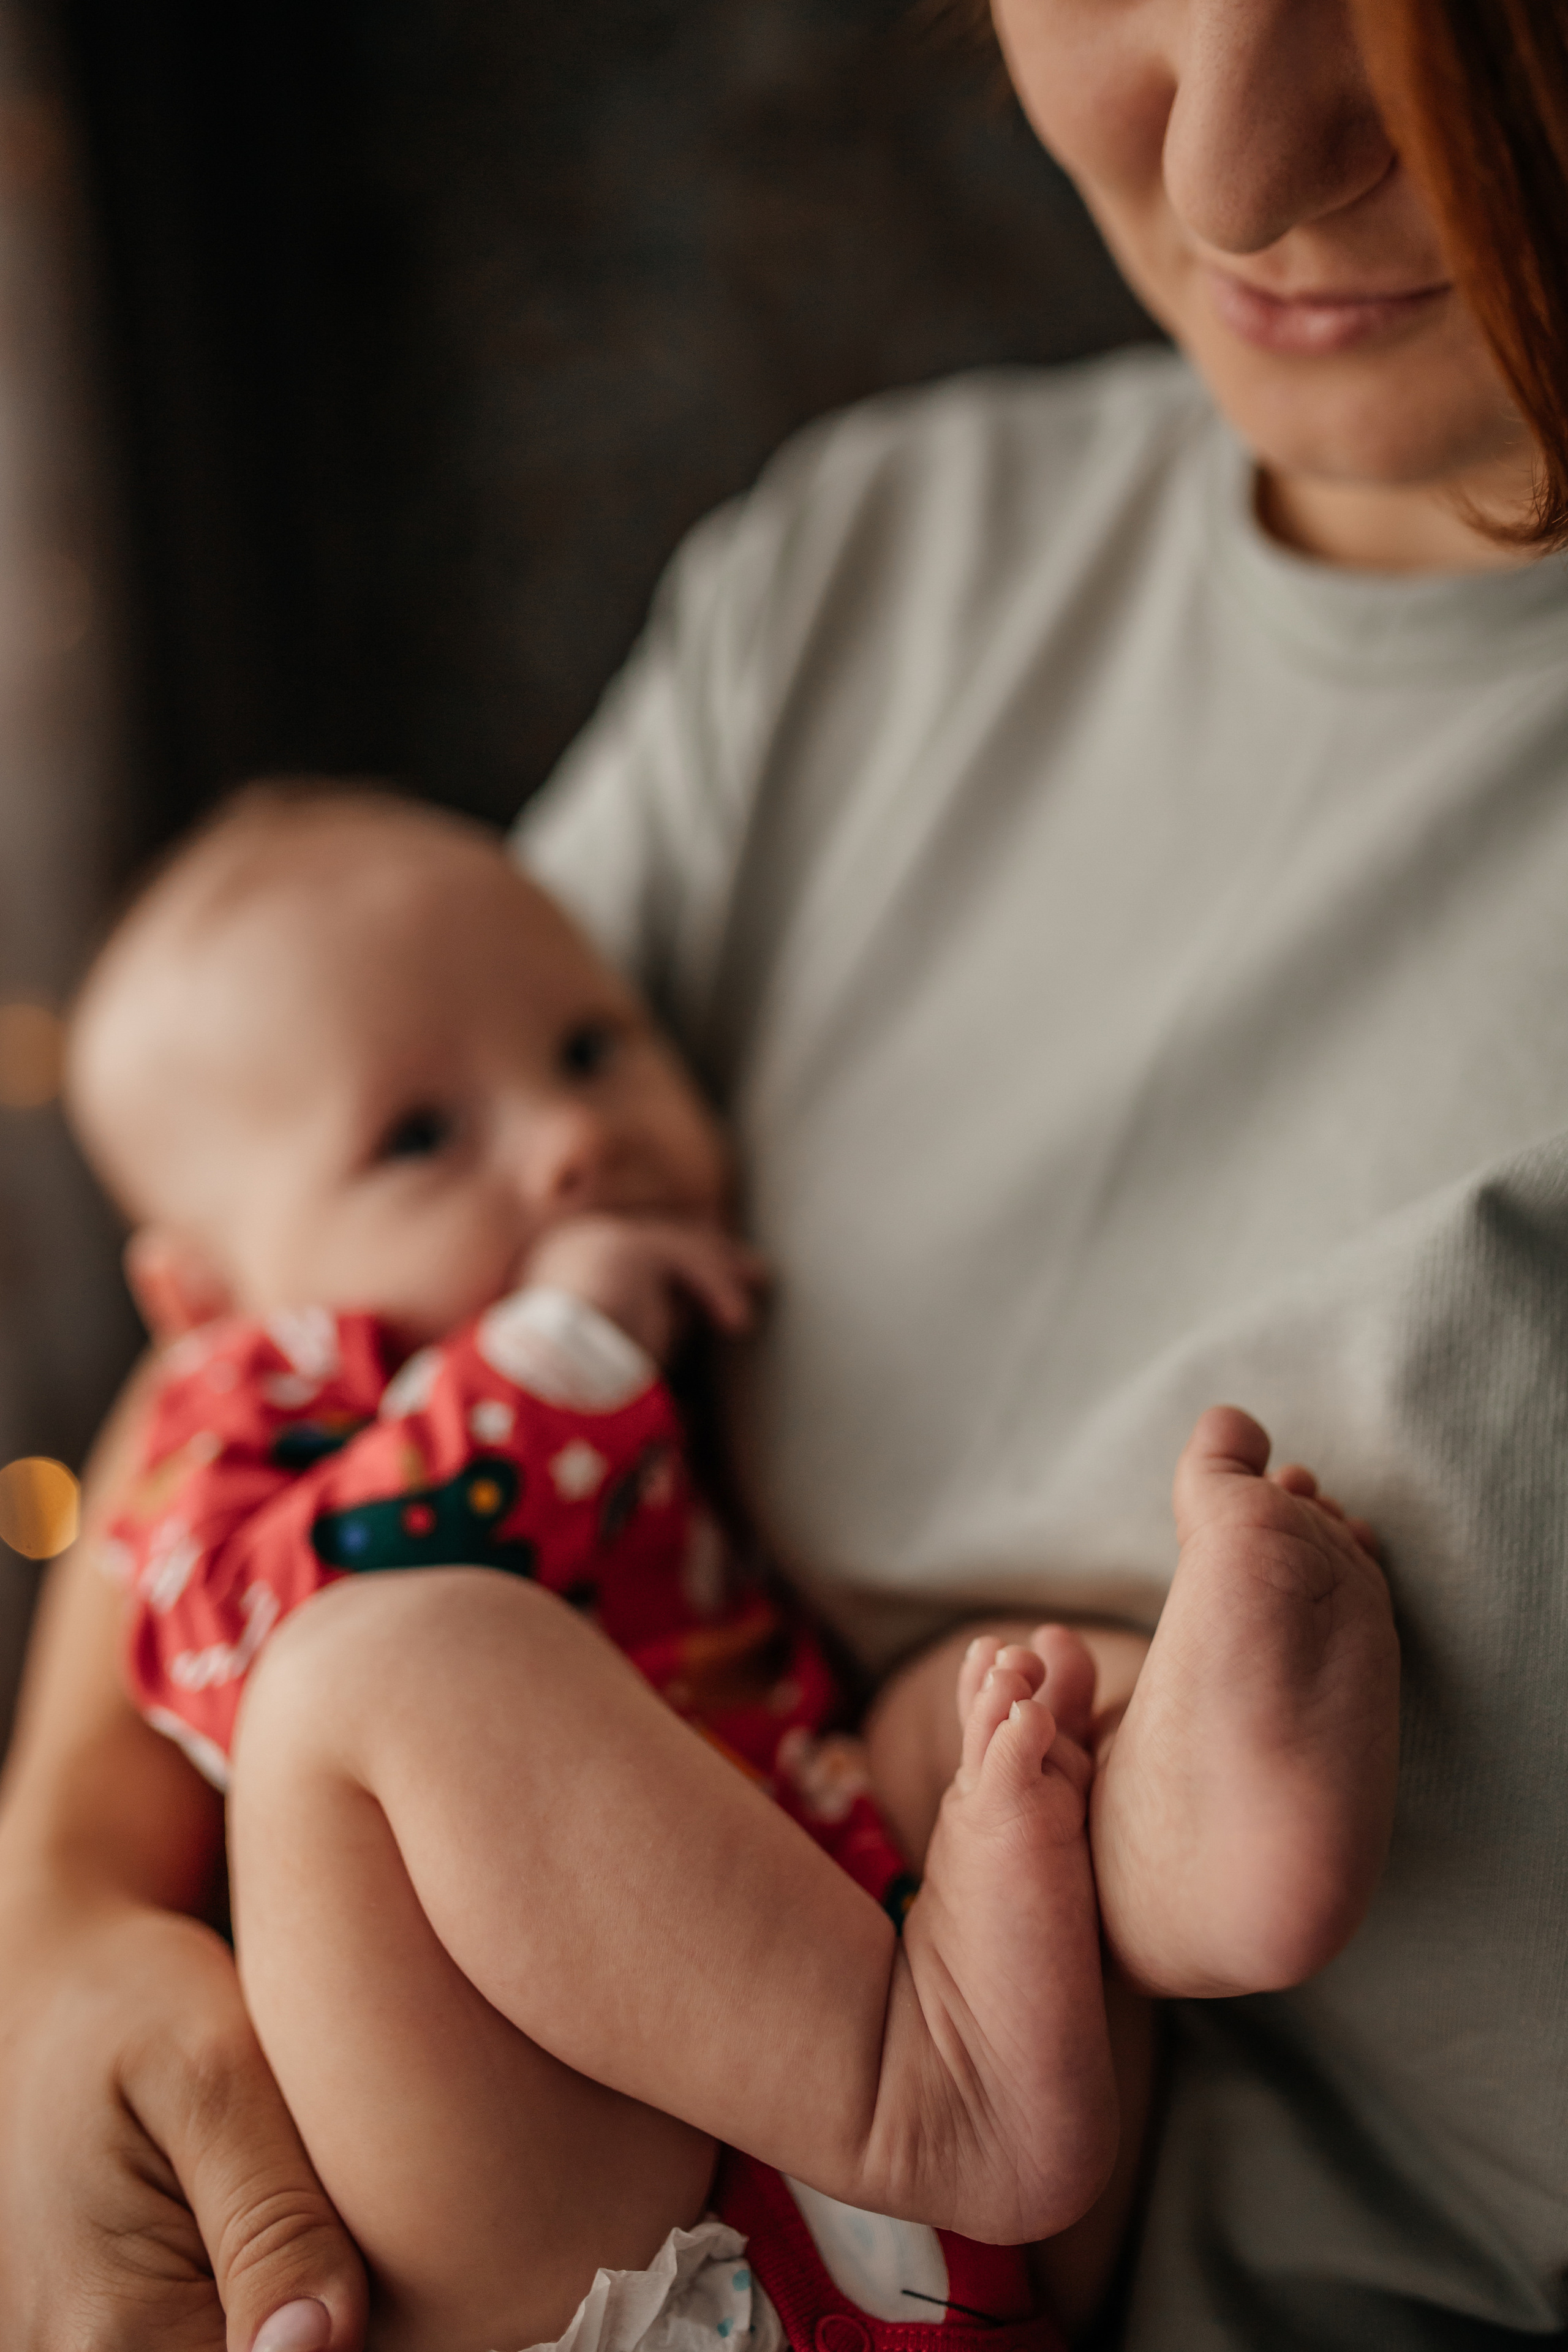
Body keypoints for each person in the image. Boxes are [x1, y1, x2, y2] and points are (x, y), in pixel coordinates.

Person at [1, 1, 1566, 2347]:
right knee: (372, 1676)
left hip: (924, 2101)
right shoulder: (873, 583)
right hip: (627, 2203)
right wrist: (54, 1923)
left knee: (1004, 1717)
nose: (1233, 165)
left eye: (1444, 9)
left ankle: (1152, 1891)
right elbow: (235, 1371)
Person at [63, 784, 1392, 2351]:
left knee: (995, 1703)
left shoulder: (689, 1354)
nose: (571, 1140)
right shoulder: (252, 1407)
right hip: (573, 2219)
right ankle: (920, 2084)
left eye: (588, 1051)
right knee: (352, 1674)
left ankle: (1215, 1869)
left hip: (930, 2150)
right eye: (418, 1138)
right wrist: (555, 1355)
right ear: (203, 1296)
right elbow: (224, 1643)